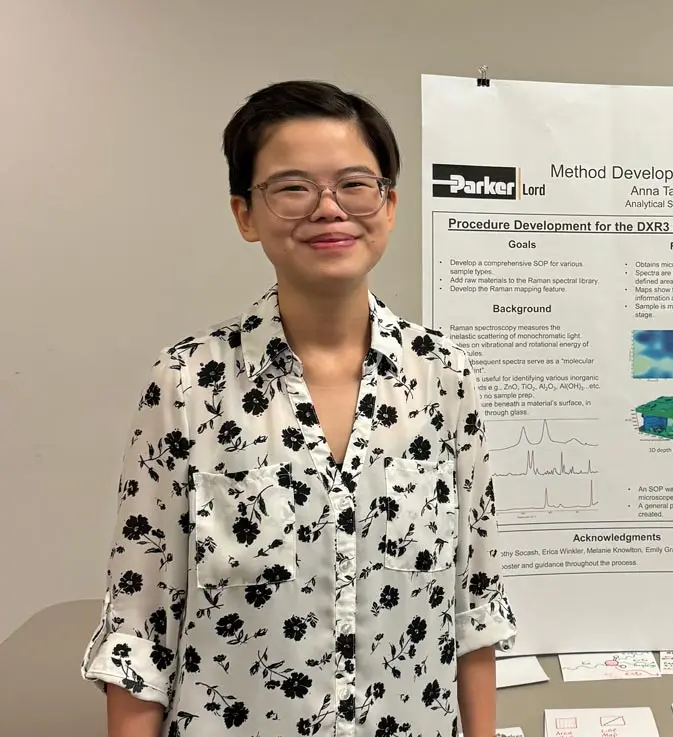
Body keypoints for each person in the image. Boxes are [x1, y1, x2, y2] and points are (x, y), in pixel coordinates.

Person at [80, 80, 517, 737]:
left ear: (390, 204)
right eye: (291, 187)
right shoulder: (186, 384)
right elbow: (140, 629)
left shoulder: (443, 375)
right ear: (245, 213)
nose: (328, 208)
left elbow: (474, 602)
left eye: (354, 184)